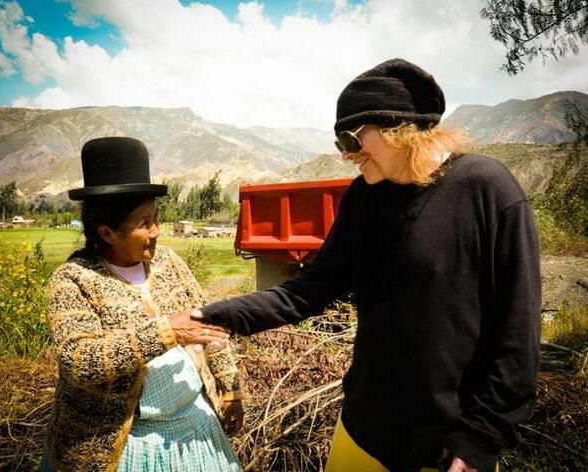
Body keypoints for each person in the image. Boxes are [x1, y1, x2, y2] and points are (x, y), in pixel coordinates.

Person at [193, 59, 541, 472]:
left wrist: (481, 439)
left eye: (351, 138)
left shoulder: (487, 188)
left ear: (399, 127)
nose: (346, 155)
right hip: (360, 431)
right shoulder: (364, 197)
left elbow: (517, 331)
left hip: (445, 451)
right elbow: (310, 289)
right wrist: (216, 316)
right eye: (340, 143)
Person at [42, 137, 244, 472]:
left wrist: (230, 388)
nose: (156, 231)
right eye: (143, 223)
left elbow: (208, 325)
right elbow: (79, 361)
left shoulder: (169, 262)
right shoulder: (73, 280)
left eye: (155, 218)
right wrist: (167, 332)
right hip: (125, 446)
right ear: (107, 233)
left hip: (193, 428)